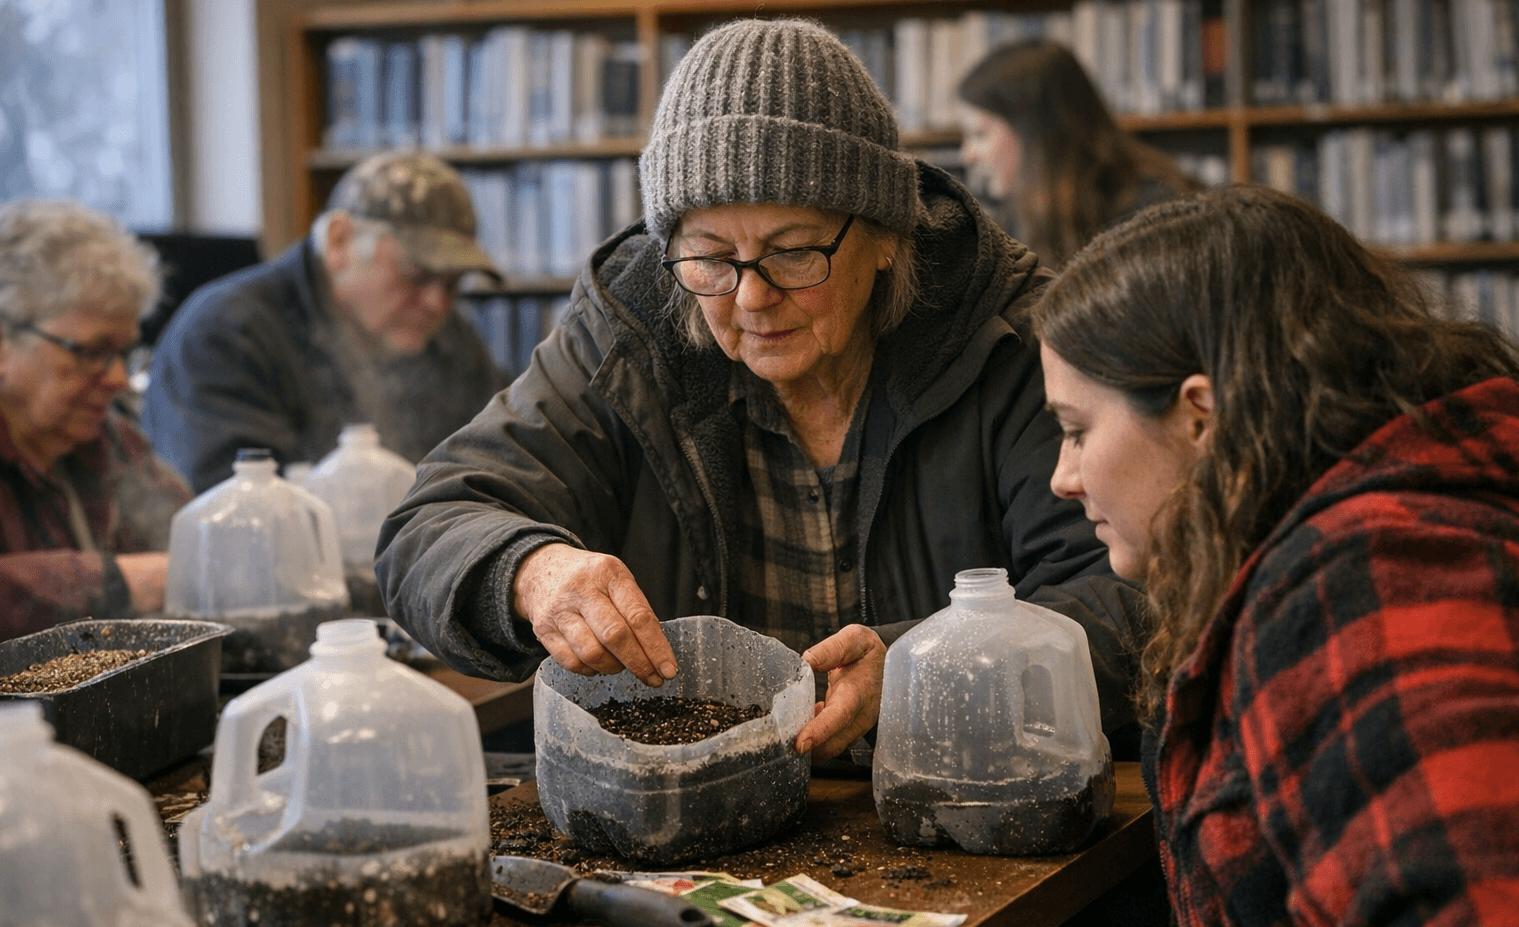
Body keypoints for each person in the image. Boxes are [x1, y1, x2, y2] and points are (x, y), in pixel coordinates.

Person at [376, 18, 1145, 765]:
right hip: (702, 812)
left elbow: (1131, 601)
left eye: (794, 252)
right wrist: (528, 569)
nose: (750, 298)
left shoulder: (1010, 338)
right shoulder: (629, 332)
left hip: (965, 796)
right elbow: (428, 525)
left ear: (881, 237)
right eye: (709, 256)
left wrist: (924, 671)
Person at [1036, 184, 1519, 927]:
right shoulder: (1327, 542)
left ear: (1202, 419)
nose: (1064, 476)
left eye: (1078, 429)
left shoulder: (1357, 578)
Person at [141, 150, 513, 494]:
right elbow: (247, 514)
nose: (437, 303)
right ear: (339, 241)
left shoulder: (450, 339)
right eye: (415, 275)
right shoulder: (227, 335)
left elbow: (506, 455)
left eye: (453, 283)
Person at [0, 198, 192, 645]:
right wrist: (111, 584)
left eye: (123, 352)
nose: (117, 378)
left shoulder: (106, 439)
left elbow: (190, 547)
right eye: (91, 352)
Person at [957, 39, 1201, 270]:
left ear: (1036, 133)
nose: (968, 154)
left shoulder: (1154, 218)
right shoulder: (1016, 219)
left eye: (980, 134)